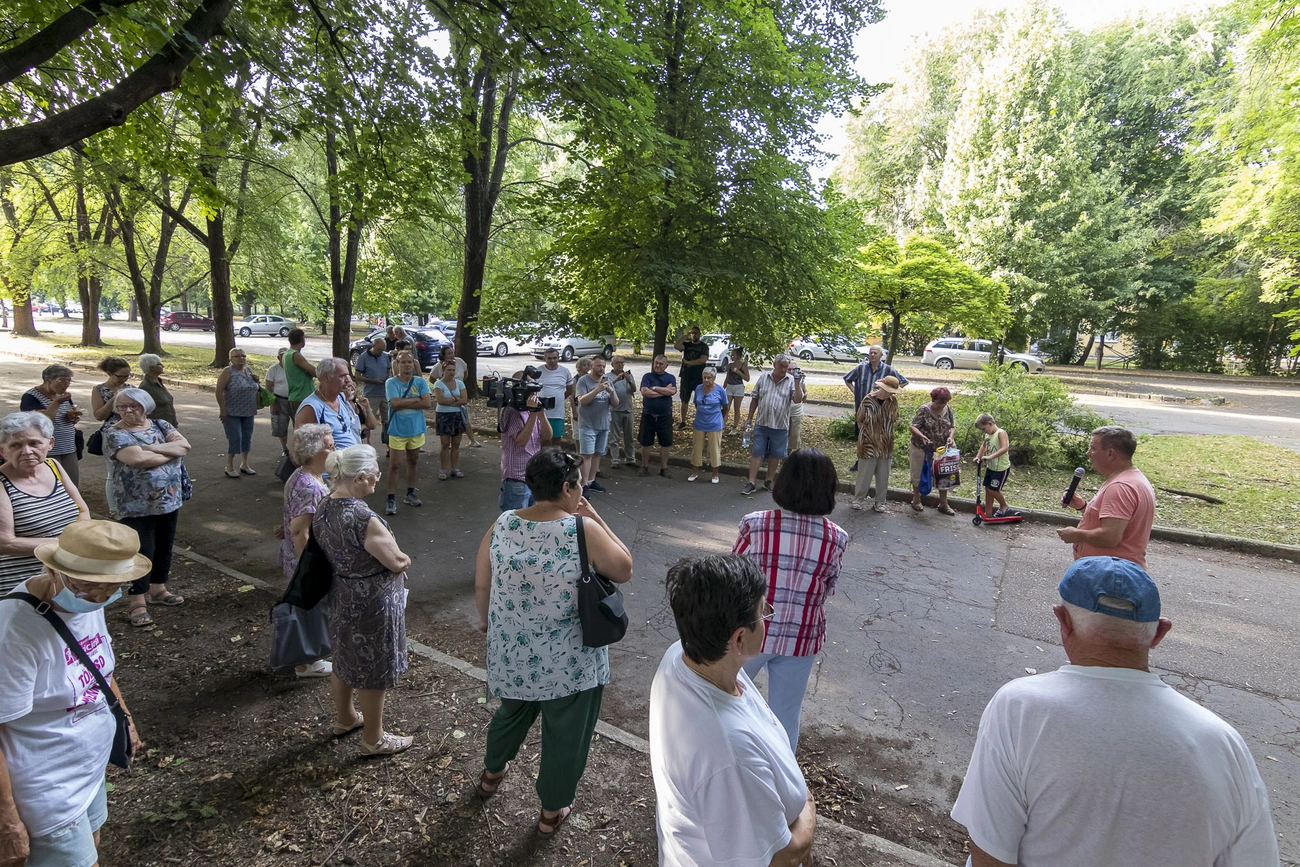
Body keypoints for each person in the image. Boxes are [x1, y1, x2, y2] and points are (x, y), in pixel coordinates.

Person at [951, 556, 1279, 867]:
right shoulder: (1225, 744)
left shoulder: (1019, 709)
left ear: (1062, 621)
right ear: (1159, 633)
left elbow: (991, 856)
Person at [473, 448, 633, 838]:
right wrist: (594, 516)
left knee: (511, 713)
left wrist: (486, 623)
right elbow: (624, 567)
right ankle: (550, 812)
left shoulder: (503, 523)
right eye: (579, 485)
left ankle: (491, 775)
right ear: (566, 487)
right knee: (566, 734)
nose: (582, 491)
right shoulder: (582, 530)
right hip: (570, 663)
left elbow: (483, 581)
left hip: (512, 652)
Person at [650, 553, 816, 867]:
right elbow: (781, 856)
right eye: (763, 613)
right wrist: (807, 809)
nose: (767, 617)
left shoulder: (683, 657)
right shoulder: (727, 752)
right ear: (739, 638)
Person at [0, 520, 147, 867]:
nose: (98, 598)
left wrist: (124, 718)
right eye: (87, 588)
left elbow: (100, 668)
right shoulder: (14, 632)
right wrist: (7, 820)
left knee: (92, 842)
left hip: (87, 768)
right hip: (47, 788)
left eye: (111, 589)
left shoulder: (88, 602)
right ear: (52, 569)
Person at [734, 448, 848, 750]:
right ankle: (782, 781)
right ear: (829, 487)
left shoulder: (755, 524)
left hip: (750, 632)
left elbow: (734, 575)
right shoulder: (836, 537)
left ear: (784, 481)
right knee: (786, 716)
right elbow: (827, 587)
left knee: (725, 701)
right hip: (802, 635)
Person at [314, 445, 414, 755]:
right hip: (372, 601)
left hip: (342, 593)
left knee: (344, 658)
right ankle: (374, 739)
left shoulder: (324, 506)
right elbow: (395, 561)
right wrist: (406, 560)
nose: (376, 480)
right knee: (374, 670)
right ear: (359, 478)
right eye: (373, 476)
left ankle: (345, 718)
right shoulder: (362, 518)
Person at [104, 388, 190, 629]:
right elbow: (137, 460)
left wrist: (150, 448)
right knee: (141, 551)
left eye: (134, 405)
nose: (128, 410)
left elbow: (185, 446)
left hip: (169, 499)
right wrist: (168, 453)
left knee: (164, 546)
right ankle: (137, 601)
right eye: (122, 407)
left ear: (146, 406)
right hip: (135, 504)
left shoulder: (161, 425)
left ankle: (158, 589)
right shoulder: (114, 432)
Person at [0, 412, 90, 596]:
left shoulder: (54, 466)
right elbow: (5, 542)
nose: (26, 451)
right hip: (23, 585)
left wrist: (77, 545)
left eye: (34, 443)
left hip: (68, 577)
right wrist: (65, 545)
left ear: (50, 444)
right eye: (15, 445)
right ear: (3, 451)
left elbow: (82, 510)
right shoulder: (2, 483)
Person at [276, 423, 335, 678]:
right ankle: (308, 663)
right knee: (309, 608)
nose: (335, 450)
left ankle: (311, 657)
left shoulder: (307, 475)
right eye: (330, 446)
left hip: (303, 557)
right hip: (307, 560)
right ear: (314, 453)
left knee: (310, 609)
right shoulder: (309, 485)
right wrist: (308, 570)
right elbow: (301, 530)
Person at [1056, 426, 1156, 568]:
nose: (1088, 453)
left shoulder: (1120, 487)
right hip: (1112, 573)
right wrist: (1084, 507)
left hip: (1109, 576)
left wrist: (1077, 534)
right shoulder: (1133, 478)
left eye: (1093, 448)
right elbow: (1119, 522)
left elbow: (1110, 537)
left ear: (1110, 454)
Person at [741, 355, 805, 496]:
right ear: (774, 364)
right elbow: (755, 398)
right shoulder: (764, 377)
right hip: (762, 423)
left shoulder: (790, 381)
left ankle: (768, 480)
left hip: (780, 425)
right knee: (757, 452)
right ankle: (751, 482)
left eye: (786, 367)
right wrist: (749, 418)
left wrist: (797, 382)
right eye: (781, 366)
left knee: (775, 455)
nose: (783, 369)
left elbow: (798, 399)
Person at [843, 345, 908, 472]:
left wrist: (890, 392)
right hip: (863, 408)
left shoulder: (887, 370)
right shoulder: (861, 368)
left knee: (879, 433)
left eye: (875, 353)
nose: (872, 355)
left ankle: (877, 461)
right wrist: (855, 391)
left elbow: (904, 381)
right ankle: (861, 460)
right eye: (870, 353)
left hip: (880, 410)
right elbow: (847, 379)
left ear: (881, 355)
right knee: (861, 434)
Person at [497, 370, 553, 510]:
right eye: (531, 389)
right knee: (515, 524)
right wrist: (533, 415)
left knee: (530, 523)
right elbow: (521, 441)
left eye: (535, 390)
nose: (534, 395)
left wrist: (541, 415)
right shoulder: (512, 411)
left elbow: (548, 436)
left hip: (533, 476)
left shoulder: (532, 410)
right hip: (516, 478)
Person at [384, 350, 431, 514]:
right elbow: (395, 404)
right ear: (397, 364)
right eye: (403, 362)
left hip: (416, 428)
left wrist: (407, 402)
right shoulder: (391, 382)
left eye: (409, 362)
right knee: (395, 464)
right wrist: (416, 400)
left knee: (413, 461)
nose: (407, 365)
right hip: (398, 429)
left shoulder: (420, 381)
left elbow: (427, 403)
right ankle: (391, 498)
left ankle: (410, 493)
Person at [21, 364, 83, 488]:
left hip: (68, 446)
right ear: (48, 379)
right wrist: (56, 402)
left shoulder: (63, 396)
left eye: (69, 381)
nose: (66, 384)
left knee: (71, 482)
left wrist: (72, 417)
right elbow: (43, 420)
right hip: (47, 447)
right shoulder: (30, 397)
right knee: (51, 483)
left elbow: (64, 415)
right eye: (62, 380)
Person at [852, 375, 901, 512]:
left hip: (886, 443)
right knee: (864, 473)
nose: (891, 393)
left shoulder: (893, 402)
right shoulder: (868, 399)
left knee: (883, 474)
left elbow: (894, 420)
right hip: (868, 442)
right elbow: (860, 419)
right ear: (883, 388)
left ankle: (880, 502)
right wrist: (867, 434)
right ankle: (858, 499)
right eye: (890, 390)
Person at [295, 358, 365, 449]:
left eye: (348, 375)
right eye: (342, 376)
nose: (348, 380)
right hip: (333, 461)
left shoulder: (339, 398)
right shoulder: (311, 408)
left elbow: (349, 395)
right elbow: (304, 448)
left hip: (353, 457)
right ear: (325, 377)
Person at [215, 347, 261, 478]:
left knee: (247, 437)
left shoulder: (248, 370)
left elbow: (254, 387)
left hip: (249, 410)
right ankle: (229, 466)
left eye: (243, 356)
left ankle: (244, 464)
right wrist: (222, 409)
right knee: (235, 438)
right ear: (231, 359)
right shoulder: (227, 372)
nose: (241, 358)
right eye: (237, 356)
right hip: (231, 411)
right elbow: (218, 391)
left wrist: (256, 380)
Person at [909, 386, 955, 515]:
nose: (942, 405)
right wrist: (922, 436)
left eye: (945, 402)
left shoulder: (948, 409)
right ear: (933, 400)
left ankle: (943, 503)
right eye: (940, 402)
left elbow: (952, 426)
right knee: (918, 473)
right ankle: (916, 499)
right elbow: (913, 426)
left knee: (943, 475)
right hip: (922, 447)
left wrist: (951, 437)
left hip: (942, 449)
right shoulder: (924, 410)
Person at [576, 355, 618, 495]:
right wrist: (597, 390)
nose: (601, 369)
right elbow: (582, 401)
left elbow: (616, 404)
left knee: (597, 454)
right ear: (592, 366)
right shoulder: (583, 381)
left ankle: (591, 481)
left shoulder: (608, 381)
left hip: (604, 424)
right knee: (586, 454)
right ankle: (583, 485)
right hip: (588, 424)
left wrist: (611, 393)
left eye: (603, 366)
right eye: (599, 366)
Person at [637, 355, 677, 478]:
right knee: (646, 442)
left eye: (661, 364)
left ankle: (664, 468)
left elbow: (673, 392)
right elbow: (644, 392)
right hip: (648, 415)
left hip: (665, 416)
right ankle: (645, 466)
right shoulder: (647, 376)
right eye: (656, 363)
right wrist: (664, 391)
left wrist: (654, 388)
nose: (658, 366)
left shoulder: (670, 377)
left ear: (666, 365)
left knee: (665, 443)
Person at [688, 367, 728, 484]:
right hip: (700, 422)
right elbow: (696, 403)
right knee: (697, 448)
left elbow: (725, 407)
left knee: (714, 449)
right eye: (704, 377)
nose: (706, 380)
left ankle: (715, 474)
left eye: (709, 378)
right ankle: (694, 472)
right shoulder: (698, 388)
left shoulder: (720, 390)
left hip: (715, 423)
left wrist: (719, 417)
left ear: (714, 378)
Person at [438, 344, 481, 448]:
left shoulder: (460, 362)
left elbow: (466, 373)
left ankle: (472, 440)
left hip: (459, 392)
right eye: (448, 353)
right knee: (448, 421)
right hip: (447, 395)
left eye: (452, 352)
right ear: (443, 356)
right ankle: (447, 442)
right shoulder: (439, 366)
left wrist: (459, 386)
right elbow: (432, 378)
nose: (451, 355)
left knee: (464, 418)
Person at [973, 413, 1012, 517]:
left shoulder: (1001, 433)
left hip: (1001, 468)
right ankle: (988, 513)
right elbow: (983, 446)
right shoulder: (988, 435)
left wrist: (989, 457)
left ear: (990, 423)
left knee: (993, 489)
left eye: (983, 429)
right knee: (987, 488)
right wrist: (978, 456)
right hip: (991, 468)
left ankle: (1004, 506)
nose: (983, 432)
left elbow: (1004, 448)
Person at [353, 336, 391, 437]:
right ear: (373, 346)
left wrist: (388, 377)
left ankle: (388, 445)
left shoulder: (384, 356)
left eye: (383, 350)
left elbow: (389, 370)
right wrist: (372, 381)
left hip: (385, 393)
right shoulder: (363, 357)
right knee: (368, 421)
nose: (381, 352)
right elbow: (357, 375)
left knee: (387, 421)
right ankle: (367, 443)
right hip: (371, 394)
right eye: (379, 349)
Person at [674, 326, 709, 430]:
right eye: (692, 333)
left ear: (699, 334)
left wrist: (689, 363)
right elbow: (676, 346)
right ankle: (683, 421)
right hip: (686, 376)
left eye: (696, 333)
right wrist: (685, 336)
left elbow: (703, 360)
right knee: (684, 399)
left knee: (699, 399)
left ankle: (700, 420)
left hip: (698, 376)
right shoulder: (686, 345)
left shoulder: (704, 346)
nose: (694, 335)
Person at [537, 348, 574, 441]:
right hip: (542, 412)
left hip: (557, 413)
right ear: (545, 358)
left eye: (554, 358)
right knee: (542, 440)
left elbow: (570, 389)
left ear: (558, 358)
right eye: (549, 358)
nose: (552, 361)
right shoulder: (538, 371)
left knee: (556, 439)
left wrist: (560, 399)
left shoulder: (565, 371)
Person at [607, 355, 637, 467]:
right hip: (614, 411)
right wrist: (616, 380)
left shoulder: (628, 375)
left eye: (622, 363)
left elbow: (634, 389)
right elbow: (606, 388)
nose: (620, 365)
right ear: (612, 364)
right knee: (614, 438)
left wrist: (629, 380)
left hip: (628, 410)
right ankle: (615, 460)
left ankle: (630, 459)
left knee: (629, 437)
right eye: (617, 363)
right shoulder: (608, 376)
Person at [283, 328, 318, 418]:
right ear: (302, 339)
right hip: (302, 396)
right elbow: (315, 372)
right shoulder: (295, 355)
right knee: (306, 427)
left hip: (295, 395)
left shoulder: (286, 354)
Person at [137, 354, 178, 428]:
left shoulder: (158, 382)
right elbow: (141, 409)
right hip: (156, 428)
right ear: (152, 368)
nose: (163, 366)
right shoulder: (146, 387)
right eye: (159, 364)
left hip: (167, 426)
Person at [265, 347, 292, 452]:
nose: (284, 358)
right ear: (278, 357)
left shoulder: (295, 368)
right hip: (279, 400)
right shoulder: (273, 370)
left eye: (287, 355)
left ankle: (297, 449)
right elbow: (268, 388)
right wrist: (273, 403)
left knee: (299, 425)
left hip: (295, 400)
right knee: (281, 425)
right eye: (282, 356)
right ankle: (284, 448)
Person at [723, 347, 750, 434]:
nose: (731, 356)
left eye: (733, 355)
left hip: (739, 387)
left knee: (736, 408)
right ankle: (722, 426)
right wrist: (723, 388)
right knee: (726, 407)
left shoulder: (743, 365)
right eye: (731, 355)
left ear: (738, 356)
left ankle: (734, 427)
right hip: (730, 387)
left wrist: (739, 372)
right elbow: (727, 378)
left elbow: (747, 378)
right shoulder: (730, 365)